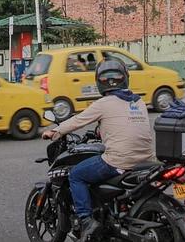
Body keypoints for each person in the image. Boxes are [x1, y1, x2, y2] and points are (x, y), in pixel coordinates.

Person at [42, 59, 154, 242]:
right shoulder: (138, 101)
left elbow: (77, 121)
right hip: (146, 161)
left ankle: (86, 220)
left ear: (98, 81)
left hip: (120, 161)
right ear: (126, 78)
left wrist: (54, 131)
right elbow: (125, 126)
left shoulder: (104, 103)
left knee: (76, 175)